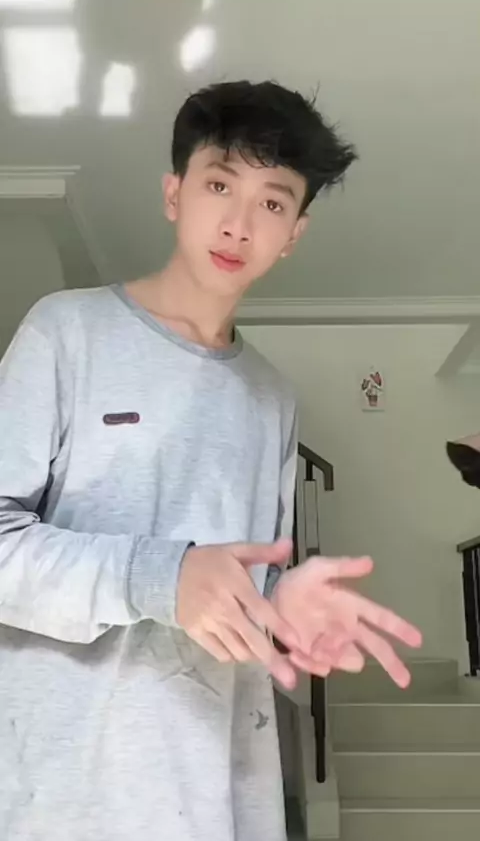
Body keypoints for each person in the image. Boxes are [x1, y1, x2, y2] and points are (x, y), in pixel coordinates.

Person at [0, 80, 422, 841]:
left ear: (293, 233)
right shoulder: (66, 332)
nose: (238, 223)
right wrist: (161, 576)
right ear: (174, 193)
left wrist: (280, 610)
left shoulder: (271, 399)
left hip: (214, 803)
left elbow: (236, 596)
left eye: (272, 201)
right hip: (63, 803)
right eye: (219, 184)